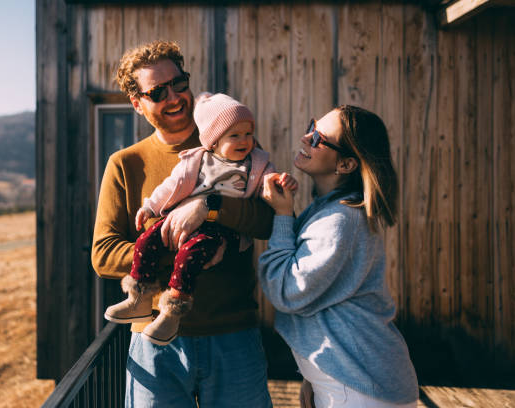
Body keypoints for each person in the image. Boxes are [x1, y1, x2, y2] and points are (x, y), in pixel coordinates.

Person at [92, 40, 274, 407]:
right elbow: (104, 254)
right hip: (153, 344)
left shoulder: (232, 142)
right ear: (137, 103)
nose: (174, 97)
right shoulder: (125, 164)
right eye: (158, 91)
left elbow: (267, 221)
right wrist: (180, 249)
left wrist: (210, 207)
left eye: (179, 83)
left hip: (233, 334)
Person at [104, 92, 297, 346]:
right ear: (214, 141)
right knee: (146, 240)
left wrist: (280, 183)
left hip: (219, 231)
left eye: (248, 133)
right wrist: (150, 207)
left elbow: (268, 201)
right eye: (235, 135)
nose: (246, 141)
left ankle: (173, 311)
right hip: (178, 219)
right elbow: (171, 185)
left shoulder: (257, 163)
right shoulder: (196, 159)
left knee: (191, 254)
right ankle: (139, 298)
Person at [258, 106, 419, 408]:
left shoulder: (340, 220)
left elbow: (286, 290)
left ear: (345, 164)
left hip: (360, 390)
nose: (306, 137)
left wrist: (282, 216)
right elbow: (331, 300)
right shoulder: (330, 211)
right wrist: (314, 375)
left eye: (318, 137)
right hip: (350, 381)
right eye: (312, 126)